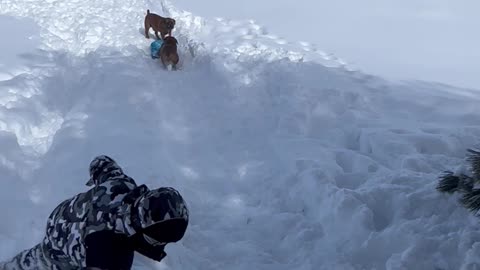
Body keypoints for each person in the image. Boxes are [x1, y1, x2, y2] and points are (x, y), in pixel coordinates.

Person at [0, 155, 189, 270]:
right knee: (43, 261)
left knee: (27, 261)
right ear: (142, 226)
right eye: (156, 240)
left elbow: (101, 162)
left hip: (61, 216)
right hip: (60, 249)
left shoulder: (121, 185)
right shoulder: (113, 254)